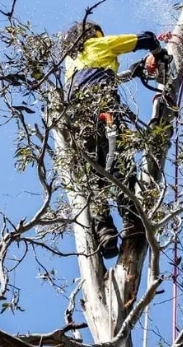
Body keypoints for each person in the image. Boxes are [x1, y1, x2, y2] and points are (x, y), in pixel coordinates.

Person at [61, 20, 171, 260]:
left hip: (78, 121)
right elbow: (146, 38)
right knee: (120, 163)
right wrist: (157, 52)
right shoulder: (97, 44)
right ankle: (132, 220)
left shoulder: (72, 64)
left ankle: (105, 232)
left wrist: (136, 70)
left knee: (94, 175)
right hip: (104, 111)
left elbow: (99, 76)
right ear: (94, 34)